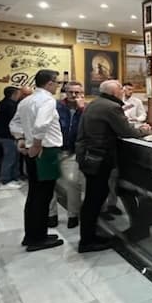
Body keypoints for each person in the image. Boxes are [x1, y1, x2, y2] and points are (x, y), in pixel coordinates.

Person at [75, 80, 149, 253]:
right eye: (120, 90)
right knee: (94, 199)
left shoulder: (95, 103)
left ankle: (89, 236)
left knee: (93, 198)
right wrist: (144, 131)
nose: (122, 92)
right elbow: (127, 131)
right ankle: (87, 241)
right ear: (115, 92)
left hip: (88, 155)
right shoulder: (111, 107)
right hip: (99, 157)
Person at [9, 69, 64, 252]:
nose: (58, 86)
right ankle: (37, 239)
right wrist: (37, 144)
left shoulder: (26, 100)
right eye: (57, 82)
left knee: (34, 194)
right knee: (43, 195)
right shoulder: (47, 100)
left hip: (32, 151)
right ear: (50, 83)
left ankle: (33, 234)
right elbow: (42, 124)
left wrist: (20, 139)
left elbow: (15, 123)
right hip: (45, 152)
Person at [55, 81, 86, 229]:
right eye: (70, 92)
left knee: (73, 182)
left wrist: (82, 109)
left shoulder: (86, 108)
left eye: (77, 92)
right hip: (54, 149)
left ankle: (73, 215)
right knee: (49, 184)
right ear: (65, 92)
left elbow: (89, 125)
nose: (74, 95)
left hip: (72, 151)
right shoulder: (56, 107)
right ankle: (51, 215)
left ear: (82, 93)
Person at [0, 86, 22, 190]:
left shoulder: (4, 103)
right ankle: (5, 181)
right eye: (18, 94)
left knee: (15, 157)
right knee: (10, 158)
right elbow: (15, 119)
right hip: (7, 136)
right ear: (13, 94)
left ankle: (14, 178)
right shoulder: (9, 105)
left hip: (8, 135)